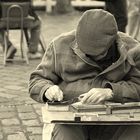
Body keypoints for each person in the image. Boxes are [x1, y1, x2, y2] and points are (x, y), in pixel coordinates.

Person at [29, 9, 140, 140]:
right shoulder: (59, 45)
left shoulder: (133, 49)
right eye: (86, 52)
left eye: (98, 53)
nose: (91, 56)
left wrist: (111, 92)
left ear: (112, 42)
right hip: (71, 121)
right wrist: (47, 89)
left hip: (116, 121)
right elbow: (37, 79)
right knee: (65, 136)